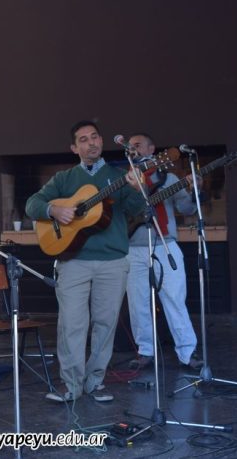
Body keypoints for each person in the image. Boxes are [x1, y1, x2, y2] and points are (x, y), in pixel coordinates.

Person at [25, 120, 145, 403]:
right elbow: (32, 204)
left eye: (95, 137)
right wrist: (54, 210)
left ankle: (95, 382)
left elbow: (135, 209)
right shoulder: (64, 178)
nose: (91, 143)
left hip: (113, 261)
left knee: (105, 324)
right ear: (74, 148)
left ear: (101, 141)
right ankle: (71, 385)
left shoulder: (119, 175)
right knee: (71, 324)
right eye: (83, 139)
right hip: (73, 261)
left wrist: (137, 188)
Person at [125, 133, 204, 371]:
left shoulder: (168, 178)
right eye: (130, 146)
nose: (133, 148)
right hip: (132, 247)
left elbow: (186, 209)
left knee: (174, 299)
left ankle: (187, 352)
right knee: (137, 303)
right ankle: (145, 351)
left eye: (138, 145)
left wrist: (194, 189)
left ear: (152, 149)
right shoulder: (124, 179)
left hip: (165, 244)